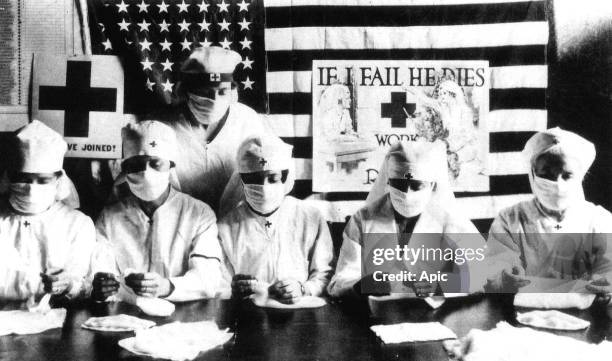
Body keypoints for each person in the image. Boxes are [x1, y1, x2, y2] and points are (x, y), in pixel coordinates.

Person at [327, 141, 484, 298]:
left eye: (416, 185)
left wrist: (441, 285)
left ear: (433, 185)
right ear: (388, 181)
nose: (406, 193)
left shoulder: (451, 219)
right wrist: (362, 285)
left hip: (436, 317)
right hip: (379, 315)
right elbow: (338, 283)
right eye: (399, 184)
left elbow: (484, 274)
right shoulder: (363, 219)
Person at [92, 121, 225, 302]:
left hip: (184, 318)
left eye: (156, 163)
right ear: (125, 168)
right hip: (127, 315)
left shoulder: (198, 214)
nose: (146, 173)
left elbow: (208, 279)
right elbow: (100, 270)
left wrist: (167, 286)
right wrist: (100, 285)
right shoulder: (109, 218)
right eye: (137, 164)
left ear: (170, 166)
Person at [483, 127, 612, 293]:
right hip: (523, 309)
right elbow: (496, 265)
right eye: (547, 173)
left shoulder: (600, 220)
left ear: (581, 175)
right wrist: (504, 277)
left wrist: (605, 284)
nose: (557, 183)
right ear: (533, 173)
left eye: (567, 175)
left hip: (584, 311)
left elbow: (608, 267)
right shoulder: (510, 219)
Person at [218, 135, 334, 304]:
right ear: (242, 179)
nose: (264, 188)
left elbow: (325, 274)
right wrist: (232, 289)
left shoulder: (310, 217)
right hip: (249, 316)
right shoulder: (226, 228)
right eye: (255, 180)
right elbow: (218, 282)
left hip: (302, 313)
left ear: (285, 177)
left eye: (273, 178)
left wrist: (303, 288)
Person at [159, 46, 268, 216]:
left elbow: (269, 166)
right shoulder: (164, 123)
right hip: (181, 220)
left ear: (232, 90)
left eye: (222, 91)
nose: (214, 100)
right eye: (205, 92)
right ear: (185, 91)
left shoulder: (247, 120)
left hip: (235, 221)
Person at [0, 120, 95, 302]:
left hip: (55, 320)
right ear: (8, 177)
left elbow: (85, 284)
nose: (31, 189)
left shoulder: (77, 223)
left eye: (43, 180)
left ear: (58, 180)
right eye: (23, 179)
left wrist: (68, 284)